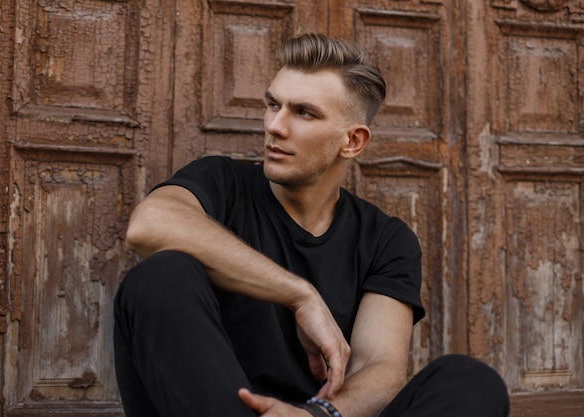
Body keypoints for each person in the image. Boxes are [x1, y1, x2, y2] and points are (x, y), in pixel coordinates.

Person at [113, 33, 510, 417]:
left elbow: (379, 368)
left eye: (303, 112)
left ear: (352, 141)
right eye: (273, 104)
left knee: (471, 380)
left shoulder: (385, 239)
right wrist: (301, 296)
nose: (275, 125)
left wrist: (314, 415)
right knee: (161, 274)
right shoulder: (221, 183)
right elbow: (149, 226)